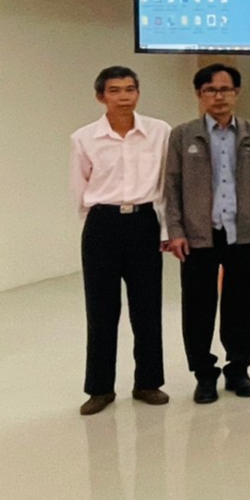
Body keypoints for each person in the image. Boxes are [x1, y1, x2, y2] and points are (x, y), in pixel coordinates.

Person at [164, 64, 250, 404]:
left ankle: (238, 369)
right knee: (198, 307)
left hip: (243, 234)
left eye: (225, 89)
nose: (219, 96)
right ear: (199, 95)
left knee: (240, 306)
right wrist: (175, 230)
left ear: (236, 93)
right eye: (210, 90)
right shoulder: (182, 135)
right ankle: (204, 374)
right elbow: (171, 186)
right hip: (198, 235)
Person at [70, 66, 171, 416]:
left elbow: (166, 185)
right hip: (102, 224)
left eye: (130, 89)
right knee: (101, 311)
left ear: (138, 93)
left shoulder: (159, 132)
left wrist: (164, 230)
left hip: (144, 222)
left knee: (147, 308)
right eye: (115, 90)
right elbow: (79, 188)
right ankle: (99, 388)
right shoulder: (84, 138)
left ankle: (148, 382)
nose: (124, 97)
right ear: (101, 97)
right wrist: (96, 226)